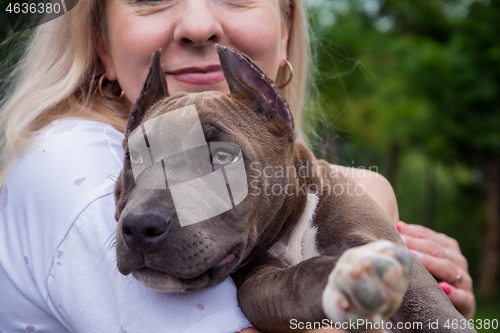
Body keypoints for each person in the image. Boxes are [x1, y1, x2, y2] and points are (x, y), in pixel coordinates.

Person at [0, 0, 474, 332]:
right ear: (100, 42)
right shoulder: (64, 164)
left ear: (285, 30)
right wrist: (375, 207)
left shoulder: (276, 177)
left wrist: (433, 305)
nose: (198, 24)